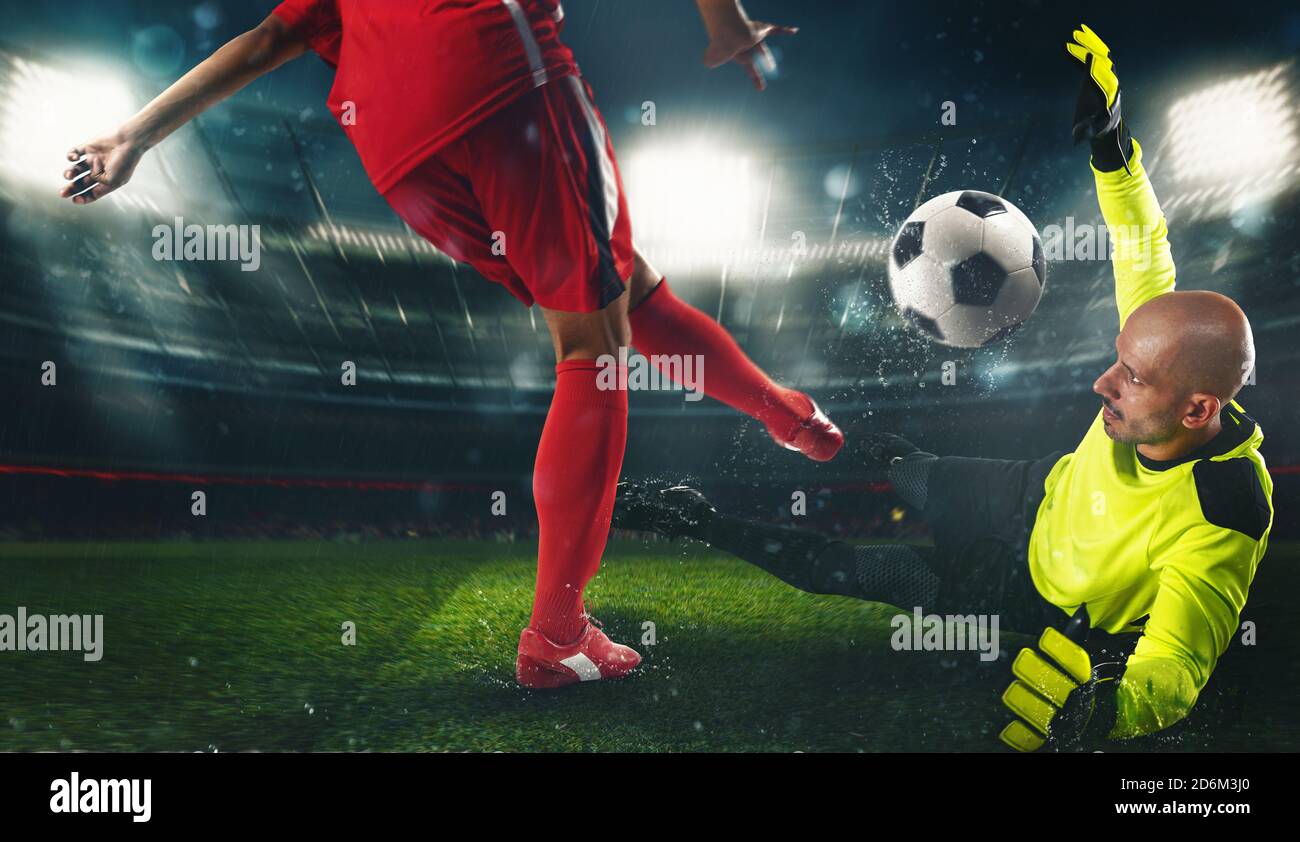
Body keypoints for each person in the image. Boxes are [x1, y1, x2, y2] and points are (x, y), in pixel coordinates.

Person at [60, 0, 843, 689]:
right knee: (593, 342)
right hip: (501, 78)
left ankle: (782, 412)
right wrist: (726, 27)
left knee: (616, 289)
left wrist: (134, 134)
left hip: (400, 151)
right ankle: (556, 638)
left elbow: (273, 36)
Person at [614, 25, 1273, 750]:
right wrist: (1113, 145)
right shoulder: (1168, 351)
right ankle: (806, 433)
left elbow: (1180, 659)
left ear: (1199, 409)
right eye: (1118, 358)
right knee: (905, 466)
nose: (1102, 382)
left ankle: (694, 518)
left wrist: (1113, 706)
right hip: (1030, 493)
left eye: (1132, 377)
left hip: (1026, 592)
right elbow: (1144, 242)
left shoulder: (1223, 511)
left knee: (851, 571)